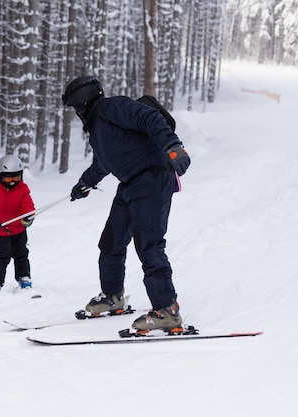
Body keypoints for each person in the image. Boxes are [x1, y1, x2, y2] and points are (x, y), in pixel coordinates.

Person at [62, 75, 191, 332]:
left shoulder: (111, 107)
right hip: (130, 184)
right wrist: (84, 183)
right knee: (111, 240)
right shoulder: (98, 130)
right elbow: (103, 162)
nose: (76, 113)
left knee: (148, 244)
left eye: (75, 107)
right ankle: (113, 297)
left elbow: (149, 118)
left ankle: (167, 310)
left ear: (82, 101)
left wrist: (172, 145)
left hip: (153, 177)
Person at [0, 155, 36, 299]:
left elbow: (28, 204)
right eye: (8, 178)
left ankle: (24, 278)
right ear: (0, 175)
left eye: (16, 178)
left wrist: (28, 216)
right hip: (1, 230)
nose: (12, 182)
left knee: (21, 254)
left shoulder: (23, 189)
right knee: (2, 256)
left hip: (19, 229)